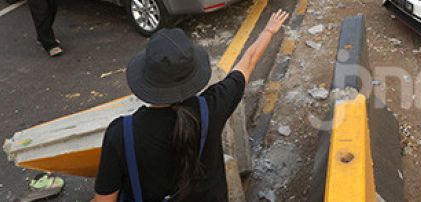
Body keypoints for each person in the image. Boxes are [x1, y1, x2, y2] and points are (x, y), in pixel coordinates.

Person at [93, 11, 289, 202]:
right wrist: (268, 31)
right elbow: (248, 63)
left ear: (146, 78)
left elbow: (104, 199)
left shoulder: (121, 134)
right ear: (193, 74)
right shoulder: (213, 106)